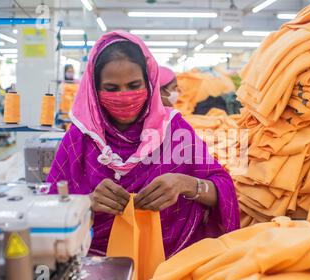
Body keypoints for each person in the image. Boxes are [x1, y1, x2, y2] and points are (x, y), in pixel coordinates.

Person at [46, 31, 240, 258]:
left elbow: (223, 188)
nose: (124, 96)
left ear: (149, 83)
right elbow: (47, 208)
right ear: (94, 90)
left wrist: (185, 184)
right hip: (95, 260)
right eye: (111, 89)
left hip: (170, 260)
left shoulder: (174, 129)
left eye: (134, 85)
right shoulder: (80, 138)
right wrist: (87, 202)